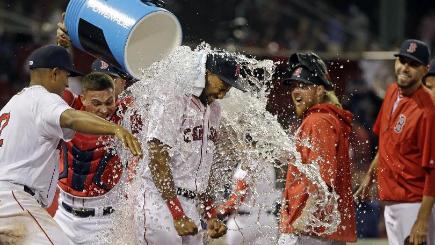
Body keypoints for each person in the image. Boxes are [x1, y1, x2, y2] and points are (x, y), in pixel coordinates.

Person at [0, 45, 142, 245]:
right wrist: (115, 129)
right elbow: (72, 118)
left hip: (103, 217)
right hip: (22, 201)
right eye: (66, 75)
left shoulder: (14, 103)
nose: (67, 81)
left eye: (112, 78)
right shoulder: (49, 101)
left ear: (121, 83)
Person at [136, 52, 246, 245]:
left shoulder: (215, 110)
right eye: (223, 84)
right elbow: (157, 157)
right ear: (207, 73)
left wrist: (210, 213)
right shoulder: (173, 96)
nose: (223, 93)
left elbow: (200, 170)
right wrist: (176, 212)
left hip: (191, 205)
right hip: (160, 201)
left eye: (228, 88)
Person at [354, 39, 435, 245]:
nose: (405, 67)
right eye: (403, 61)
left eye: (413, 64)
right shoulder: (391, 92)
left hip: (414, 204)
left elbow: (433, 171)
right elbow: (386, 144)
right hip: (390, 202)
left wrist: (422, 220)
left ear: (425, 70)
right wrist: (370, 175)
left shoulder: (428, 111)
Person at [53, 71, 141, 244]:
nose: (103, 109)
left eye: (109, 102)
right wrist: (63, 51)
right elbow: (53, 84)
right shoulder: (69, 106)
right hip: (63, 216)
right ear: (83, 98)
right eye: (96, 103)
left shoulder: (124, 114)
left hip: (104, 221)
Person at [278, 52, 357, 244]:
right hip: (323, 229)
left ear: (320, 90)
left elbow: (323, 178)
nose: (296, 91)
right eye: (294, 86)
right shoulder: (328, 118)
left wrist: (304, 218)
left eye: (304, 86)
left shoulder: (318, 120)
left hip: (310, 229)